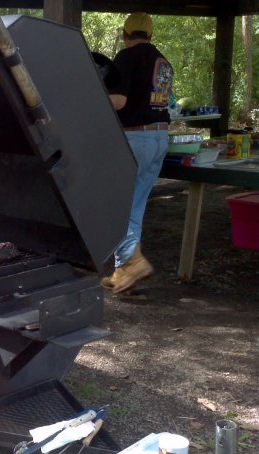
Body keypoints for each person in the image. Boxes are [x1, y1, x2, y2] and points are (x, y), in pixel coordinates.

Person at [102, 12, 174, 293]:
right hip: (159, 137)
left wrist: (92, 95)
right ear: (151, 35)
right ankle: (123, 272)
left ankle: (133, 262)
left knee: (114, 205)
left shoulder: (127, 57)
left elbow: (118, 101)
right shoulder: (163, 62)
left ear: (125, 35)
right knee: (135, 205)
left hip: (135, 139)